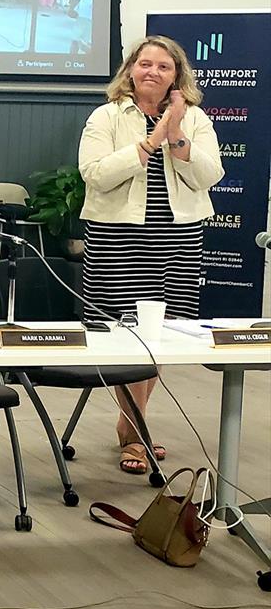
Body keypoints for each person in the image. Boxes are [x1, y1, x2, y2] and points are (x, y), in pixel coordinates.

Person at [78, 36, 224, 474]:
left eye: (163, 67)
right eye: (144, 64)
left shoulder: (194, 118)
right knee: (124, 338)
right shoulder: (107, 115)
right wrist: (150, 139)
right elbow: (96, 175)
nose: (152, 72)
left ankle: (130, 424)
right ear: (130, 70)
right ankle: (137, 431)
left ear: (176, 76)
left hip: (177, 239)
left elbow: (210, 175)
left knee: (160, 339)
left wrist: (176, 133)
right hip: (118, 239)